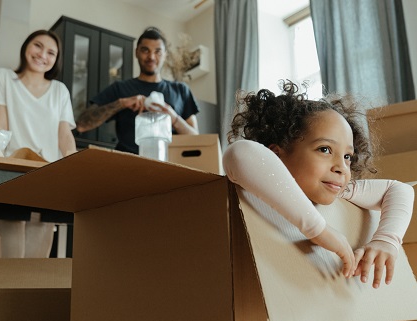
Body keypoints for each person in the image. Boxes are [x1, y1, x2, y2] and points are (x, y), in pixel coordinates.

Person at [222, 81, 414, 289]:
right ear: (276, 154)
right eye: (324, 149)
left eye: (348, 156)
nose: (341, 167)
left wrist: (386, 240)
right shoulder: (253, 179)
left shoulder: (339, 189)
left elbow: (399, 189)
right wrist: (319, 230)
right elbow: (239, 153)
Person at [0, 29, 77, 258]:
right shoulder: (2, 78)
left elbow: (64, 135)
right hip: (12, 172)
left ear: (56, 60)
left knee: (37, 252)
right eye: (38, 46)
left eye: (51, 52)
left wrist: (74, 163)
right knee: (9, 244)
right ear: (26, 47)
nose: (43, 54)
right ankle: (1, 293)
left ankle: (29, 293)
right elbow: (0, 126)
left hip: (48, 172)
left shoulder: (60, 90)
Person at [76, 26, 199, 154]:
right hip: (127, 166)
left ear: (165, 55)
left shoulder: (181, 90)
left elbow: (197, 141)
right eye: (145, 50)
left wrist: (173, 117)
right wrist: (121, 104)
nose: (151, 56)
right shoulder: (120, 88)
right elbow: (82, 124)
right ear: (136, 52)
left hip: (170, 167)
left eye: (157, 51)